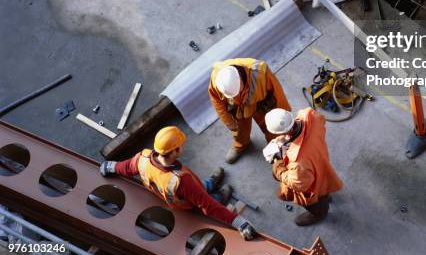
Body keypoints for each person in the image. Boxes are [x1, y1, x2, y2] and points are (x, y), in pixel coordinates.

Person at [99, 126, 257, 240]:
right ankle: (218, 195)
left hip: (184, 192)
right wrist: (239, 223)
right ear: (174, 151)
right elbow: (208, 207)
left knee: (200, 187)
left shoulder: (143, 158)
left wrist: (110, 166)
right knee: (208, 200)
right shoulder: (182, 181)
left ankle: (210, 183)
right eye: (180, 146)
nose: (182, 147)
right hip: (188, 201)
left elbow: (125, 167)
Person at [264, 107, 343, 226]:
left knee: (314, 200)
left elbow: (298, 184)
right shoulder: (308, 116)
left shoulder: (298, 162)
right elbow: (320, 121)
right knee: (324, 181)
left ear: (281, 132)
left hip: (309, 181)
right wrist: (286, 140)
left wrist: (278, 167)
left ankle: (319, 213)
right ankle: (326, 195)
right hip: (320, 161)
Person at [209, 58, 291, 164]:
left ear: (240, 79)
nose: (236, 96)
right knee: (239, 130)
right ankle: (241, 144)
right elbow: (216, 100)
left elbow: (277, 92)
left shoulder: (261, 71)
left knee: (272, 128)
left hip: (260, 103)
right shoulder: (217, 78)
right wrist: (228, 121)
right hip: (238, 108)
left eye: (238, 92)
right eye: (232, 95)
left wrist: (283, 115)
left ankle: (276, 147)